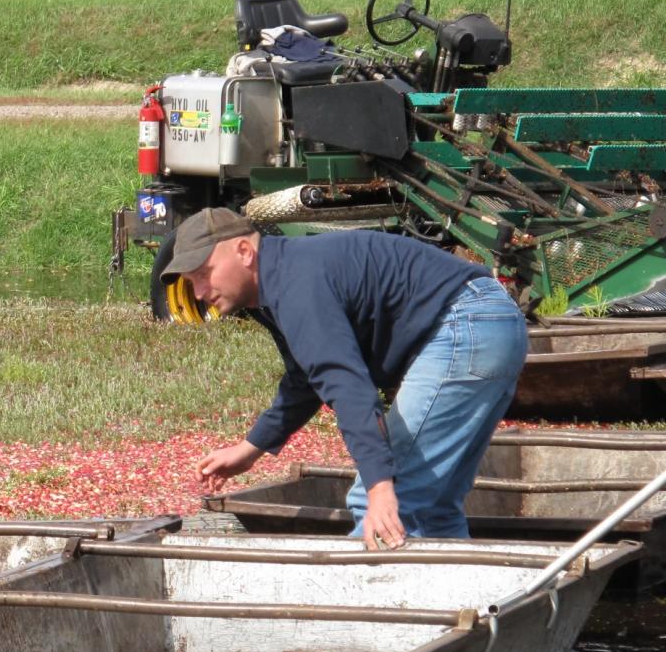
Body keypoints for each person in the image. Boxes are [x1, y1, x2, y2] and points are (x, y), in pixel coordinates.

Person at [167, 208, 528, 551]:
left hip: (466, 326)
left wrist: (381, 486)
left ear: (244, 251)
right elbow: (306, 379)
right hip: (488, 322)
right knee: (435, 506)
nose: (198, 293)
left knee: (390, 500)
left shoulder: (296, 285)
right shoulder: (282, 283)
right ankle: (464, 603)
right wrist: (250, 450)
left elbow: (348, 386)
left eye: (203, 273)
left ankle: (360, 613)